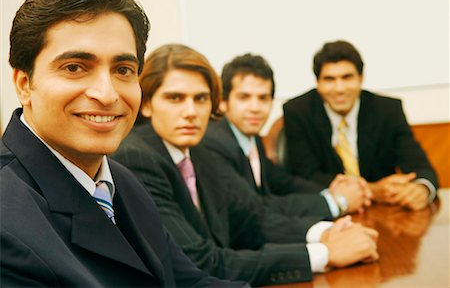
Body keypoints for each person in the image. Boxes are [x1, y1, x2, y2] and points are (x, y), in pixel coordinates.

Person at [0, 0, 247, 286]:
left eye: (123, 69)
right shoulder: (7, 221)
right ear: (24, 84)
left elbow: (189, 282)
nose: (107, 94)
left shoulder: (122, 181)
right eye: (75, 67)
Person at [112, 43, 379, 286]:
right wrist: (325, 253)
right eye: (175, 98)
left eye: (201, 99)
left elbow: (249, 222)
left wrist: (327, 232)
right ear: (146, 104)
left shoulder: (198, 150)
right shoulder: (137, 157)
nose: (191, 111)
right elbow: (199, 262)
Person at [203, 53, 372, 218]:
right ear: (223, 102)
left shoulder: (250, 137)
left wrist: (332, 190)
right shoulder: (213, 144)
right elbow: (255, 207)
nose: (255, 107)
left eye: (263, 98)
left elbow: (282, 181)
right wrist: (336, 202)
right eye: (244, 97)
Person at [283, 40, 438, 211]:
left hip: (384, 213)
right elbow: (306, 177)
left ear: (361, 78)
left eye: (347, 77)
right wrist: (371, 190)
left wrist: (421, 189)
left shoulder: (388, 110)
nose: (339, 88)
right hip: (330, 212)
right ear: (318, 84)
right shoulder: (298, 112)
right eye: (329, 79)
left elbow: (421, 167)